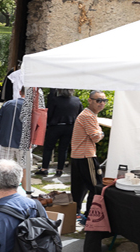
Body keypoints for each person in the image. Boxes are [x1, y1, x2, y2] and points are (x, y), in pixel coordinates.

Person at [70, 91, 107, 221]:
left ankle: (75, 213)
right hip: (86, 155)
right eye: (98, 100)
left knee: (79, 188)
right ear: (90, 100)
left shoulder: (87, 114)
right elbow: (96, 137)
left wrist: (98, 131)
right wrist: (101, 132)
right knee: (96, 186)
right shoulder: (88, 116)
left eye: (104, 100)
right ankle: (90, 216)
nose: (102, 103)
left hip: (78, 155)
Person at [36, 89, 83, 177]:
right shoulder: (76, 100)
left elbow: (49, 114)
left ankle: (44, 169)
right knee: (63, 149)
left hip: (55, 126)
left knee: (48, 148)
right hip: (70, 127)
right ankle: (59, 170)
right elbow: (80, 114)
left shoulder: (55, 100)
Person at [0, 87, 31, 187]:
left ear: (20, 92)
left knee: (2, 166)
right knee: (25, 166)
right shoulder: (32, 107)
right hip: (25, 142)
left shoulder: (8, 104)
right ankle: (26, 188)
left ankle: (2, 187)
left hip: (7, 140)